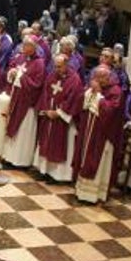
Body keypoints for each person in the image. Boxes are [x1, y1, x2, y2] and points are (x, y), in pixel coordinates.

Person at [73, 65, 124, 204]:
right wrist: (89, 93)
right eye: (96, 77)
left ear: (108, 77)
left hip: (103, 136)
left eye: (102, 77)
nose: (99, 80)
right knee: (84, 157)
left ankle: (95, 194)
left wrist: (99, 95)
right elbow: (80, 103)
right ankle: (81, 190)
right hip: (88, 132)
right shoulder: (92, 88)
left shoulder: (116, 91)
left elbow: (111, 112)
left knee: (98, 162)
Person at [34, 54, 86, 183]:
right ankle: (44, 171)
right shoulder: (52, 75)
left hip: (63, 120)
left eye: (59, 67)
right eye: (55, 66)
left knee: (59, 145)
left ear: (66, 64)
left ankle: (58, 175)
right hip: (49, 115)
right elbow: (45, 92)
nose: (56, 69)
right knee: (46, 141)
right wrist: (46, 110)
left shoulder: (75, 80)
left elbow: (74, 99)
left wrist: (58, 112)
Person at [0, 37, 46, 168]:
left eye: (27, 45)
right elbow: (12, 68)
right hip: (15, 98)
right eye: (23, 44)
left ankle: (20, 161)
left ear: (34, 47)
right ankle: (8, 156)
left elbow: (37, 85)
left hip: (27, 104)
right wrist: (12, 73)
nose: (23, 47)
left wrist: (21, 76)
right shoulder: (20, 58)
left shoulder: (39, 64)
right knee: (11, 127)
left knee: (22, 131)